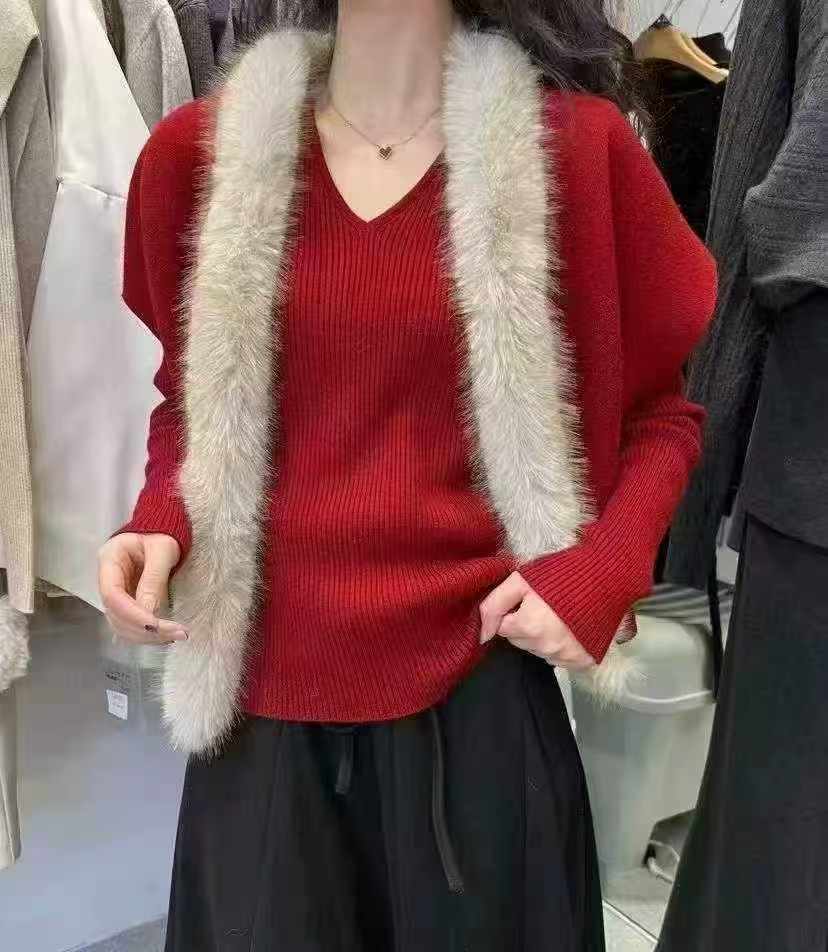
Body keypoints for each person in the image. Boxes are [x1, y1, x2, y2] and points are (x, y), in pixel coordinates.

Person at [97, 1, 715, 948]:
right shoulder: (200, 155)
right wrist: (159, 520)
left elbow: (662, 414)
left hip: (478, 701)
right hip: (261, 712)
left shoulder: (575, 153)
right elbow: (192, 404)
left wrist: (600, 570)